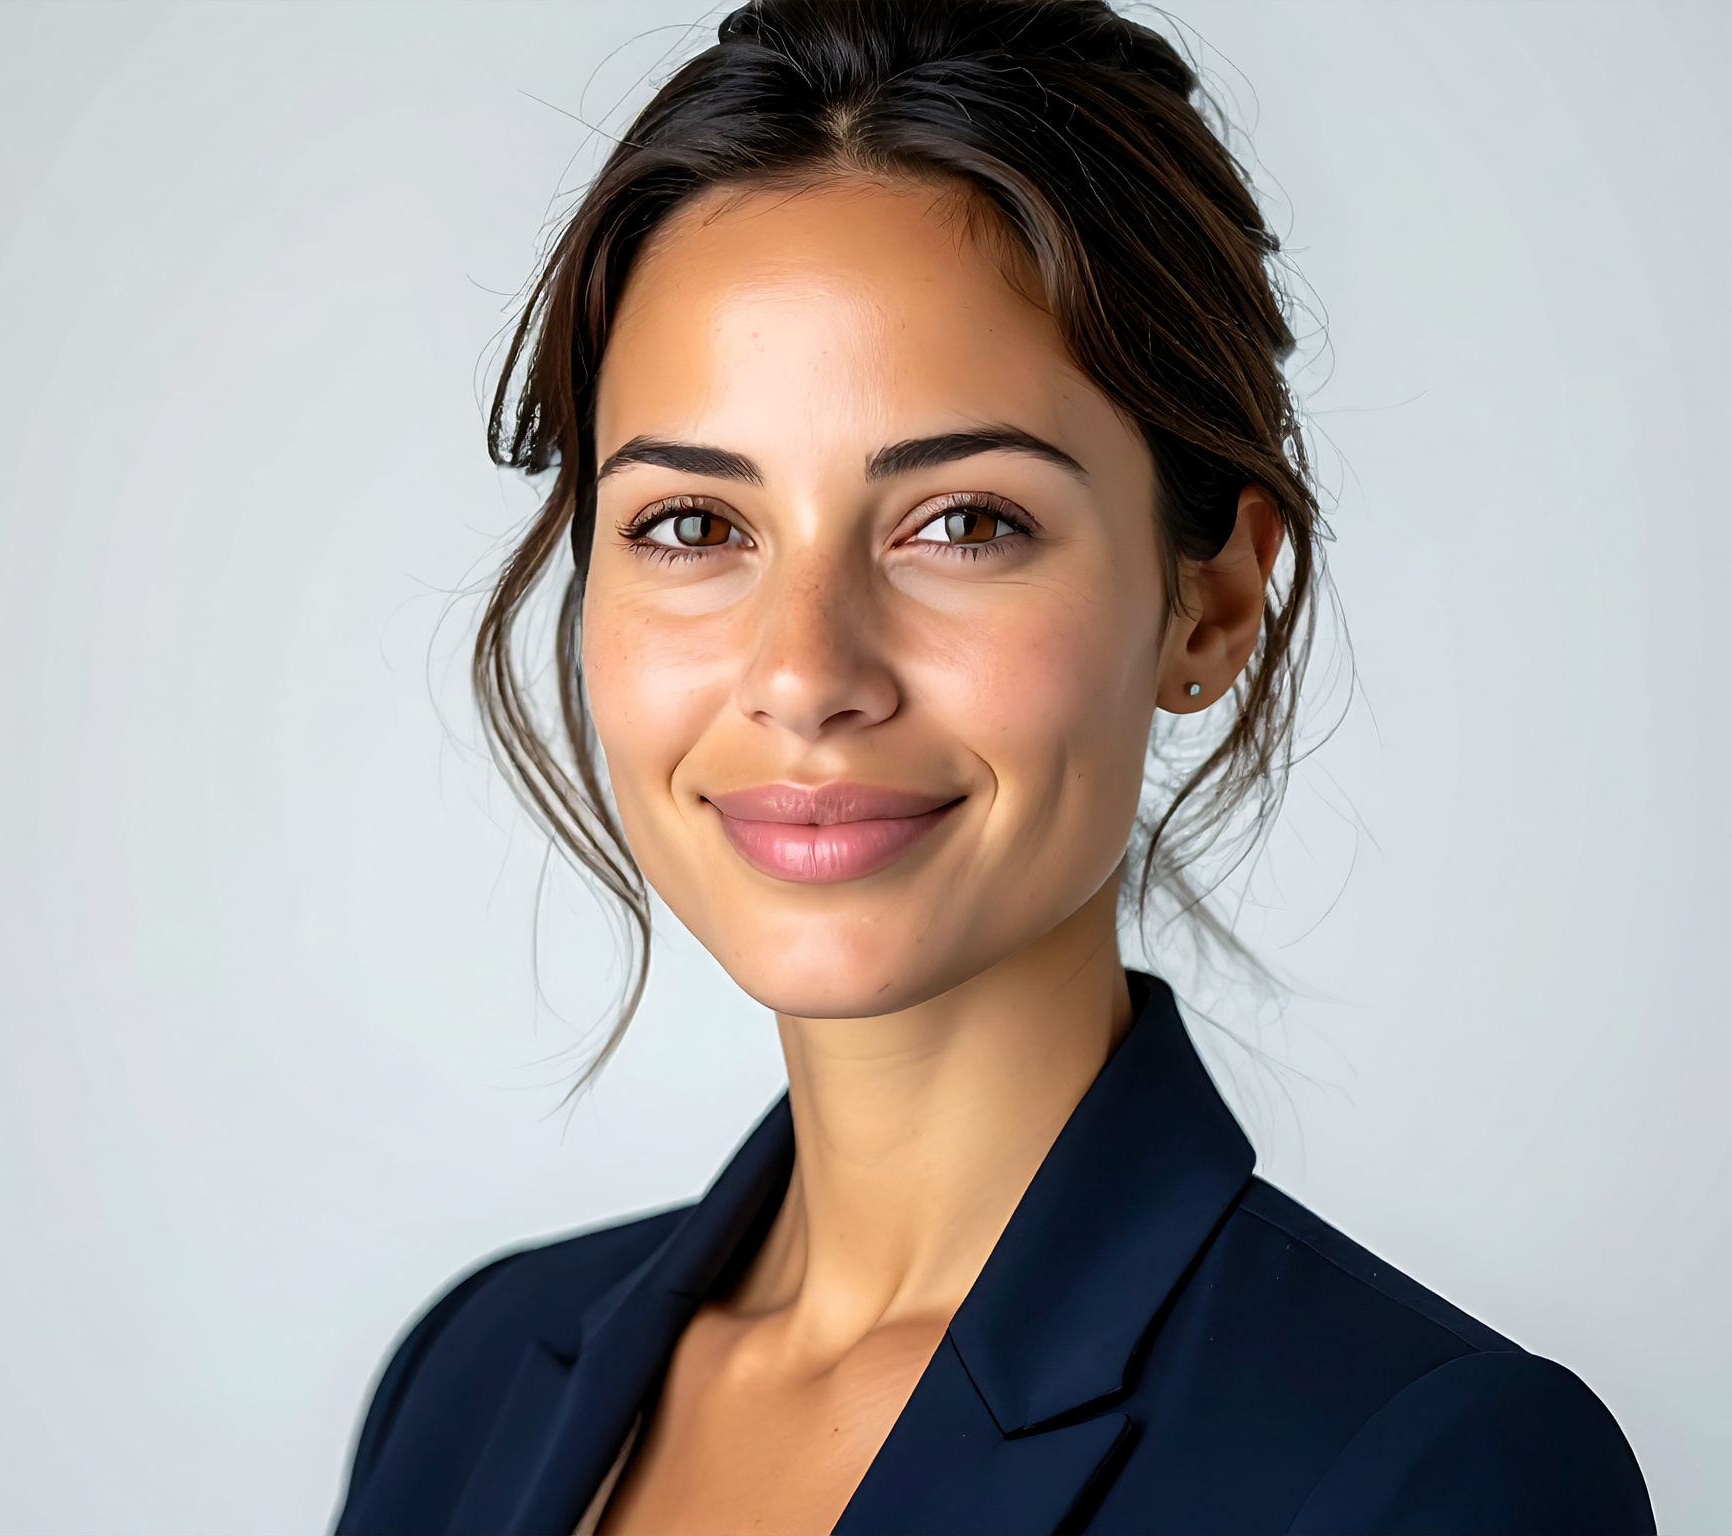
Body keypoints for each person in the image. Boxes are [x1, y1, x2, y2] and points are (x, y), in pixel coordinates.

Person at [337, 3, 1653, 1531]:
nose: (805, 674)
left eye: (964, 524)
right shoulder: (464, 1386)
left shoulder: (1431, 1472)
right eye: (694, 526)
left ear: (1212, 604)